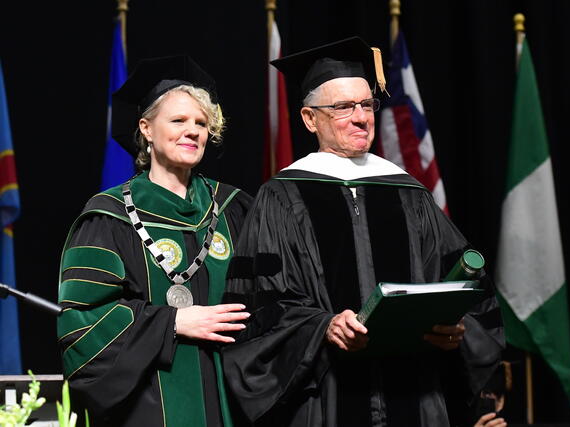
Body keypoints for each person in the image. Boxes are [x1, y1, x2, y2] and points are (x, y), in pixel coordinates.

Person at [221, 37, 505, 426]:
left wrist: (455, 328)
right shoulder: (281, 197)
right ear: (309, 119)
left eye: (367, 104)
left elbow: (466, 290)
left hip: (416, 398)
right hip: (326, 401)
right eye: (342, 107)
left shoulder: (408, 192)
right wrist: (323, 326)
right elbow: (259, 310)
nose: (361, 117)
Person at [56, 55, 253, 427]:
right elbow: (83, 322)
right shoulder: (108, 217)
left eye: (201, 123)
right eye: (178, 120)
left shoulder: (235, 209)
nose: (193, 131)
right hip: (147, 405)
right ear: (146, 128)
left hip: (233, 397)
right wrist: (172, 323)